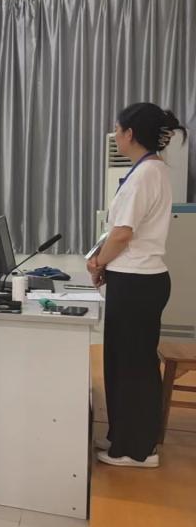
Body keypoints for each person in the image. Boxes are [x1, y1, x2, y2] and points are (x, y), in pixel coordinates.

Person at [87, 103, 186, 469]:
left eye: (117, 129)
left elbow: (122, 234)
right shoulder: (152, 170)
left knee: (132, 365)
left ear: (130, 134)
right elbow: (120, 231)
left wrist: (99, 263)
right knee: (126, 361)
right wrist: (104, 261)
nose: (115, 135)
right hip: (139, 279)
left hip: (137, 282)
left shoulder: (145, 174)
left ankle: (137, 450)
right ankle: (125, 437)